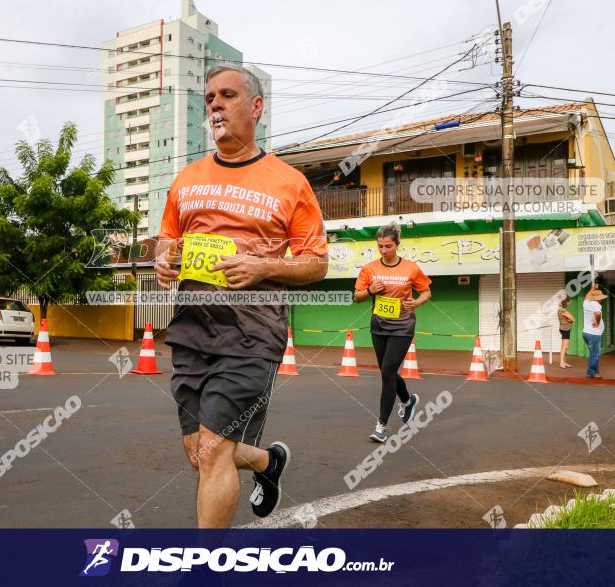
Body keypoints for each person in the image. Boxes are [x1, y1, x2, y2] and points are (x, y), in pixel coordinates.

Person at [155, 63, 328, 528]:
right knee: (200, 452)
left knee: (212, 452)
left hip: (253, 331)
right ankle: (267, 463)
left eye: (226, 95)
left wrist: (264, 266)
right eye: (209, 98)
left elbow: (317, 263)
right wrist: (163, 259)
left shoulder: (289, 181)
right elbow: (167, 240)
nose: (214, 104)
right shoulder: (187, 179)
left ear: (256, 107)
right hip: (191, 328)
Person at [353, 224, 432, 443]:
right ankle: (407, 401)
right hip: (379, 326)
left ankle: (381, 426)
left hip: (403, 326)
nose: (384, 250)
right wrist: (370, 291)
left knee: (388, 370)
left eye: (388, 246)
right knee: (387, 372)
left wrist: (415, 302)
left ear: (397, 245)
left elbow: (426, 291)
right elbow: (356, 296)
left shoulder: (410, 268)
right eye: (380, 246)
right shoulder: (369, 269)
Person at [582, 287, 606, 378]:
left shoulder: (587, 303)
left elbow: (586, 297)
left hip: (586, 333)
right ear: (599, 298)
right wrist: (598, 322)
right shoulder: (596, 305)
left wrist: (592, 288)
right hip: (594, 334)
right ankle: (591, 372)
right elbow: (598, 314)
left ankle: (595, 371)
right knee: (595, 354)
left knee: (594, 353)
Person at [558, 297, 575, 368]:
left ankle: (564, 362)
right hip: (565, 329)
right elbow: (573, 319)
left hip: (564, 328)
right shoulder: (563, 311)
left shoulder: (561, 310)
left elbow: (570, 319)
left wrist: (570, 320)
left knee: (565, 346)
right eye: (569, 302)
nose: (569, 304)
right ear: (566, 302)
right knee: (564, 346)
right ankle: (562, 363)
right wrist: (571, 320)